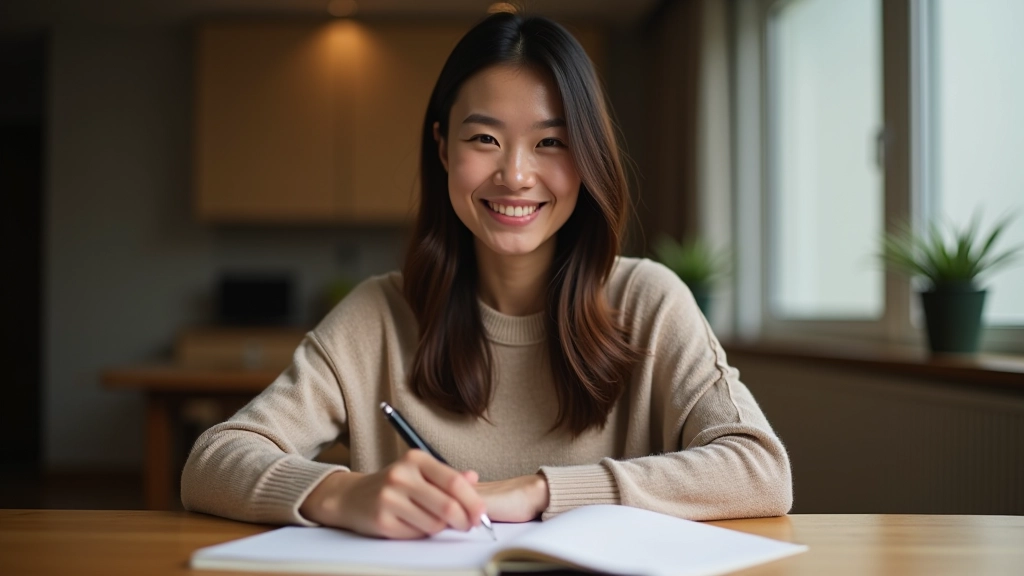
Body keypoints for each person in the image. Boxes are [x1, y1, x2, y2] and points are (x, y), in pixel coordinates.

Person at [181, 12, 792, 540]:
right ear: (444, 148)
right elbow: (213, 460)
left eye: (550, 142)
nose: (516, 174)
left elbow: (759, 469)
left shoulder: (648, 300)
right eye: (484, 138)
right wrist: (342, 494)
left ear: (586, 158)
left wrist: (538, 492)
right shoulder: (379, 313)